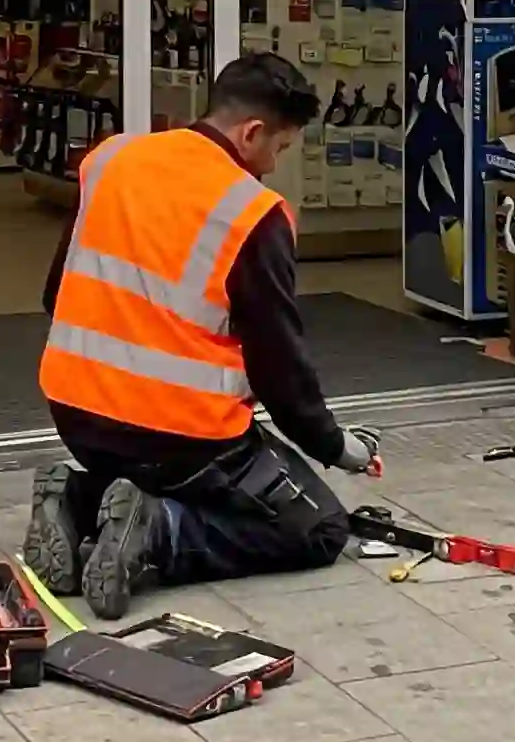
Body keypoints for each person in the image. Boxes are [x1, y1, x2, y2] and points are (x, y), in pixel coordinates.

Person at [24, 52, 380, 620]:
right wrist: (334, 446)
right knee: (317, 527)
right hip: (181, 439)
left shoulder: (112, 159)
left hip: (75, 412)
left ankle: (77, 498)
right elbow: (278, 365)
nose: (271, 165)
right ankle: (159, 534)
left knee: (171, 472)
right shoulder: (251, 212)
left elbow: (55, 294)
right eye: (279, 149)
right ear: (253, 132)